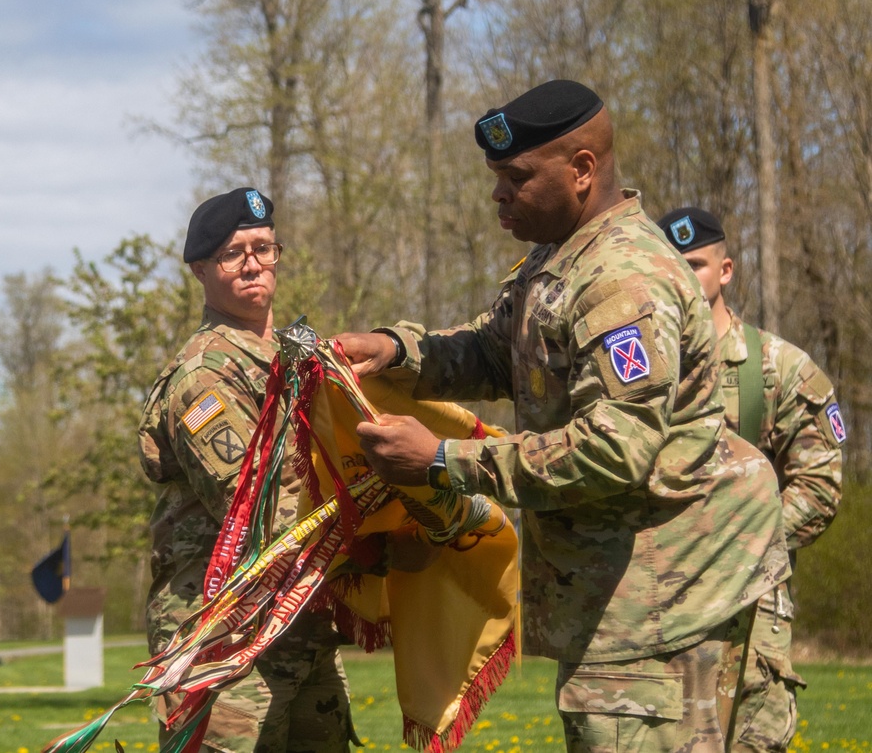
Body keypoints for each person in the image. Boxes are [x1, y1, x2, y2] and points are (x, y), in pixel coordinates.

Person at [335, 80, 791, 751]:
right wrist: (399, 350)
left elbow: (614, 449)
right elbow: (496, 351)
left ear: (582, 170)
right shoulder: (560, 257)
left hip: (666, 605)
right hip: (620, 598)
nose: (497, 194)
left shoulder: (623, 281)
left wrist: (443, 460)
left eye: (516, 178)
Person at [138, 187, 355, 752]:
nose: (254, 263)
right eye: (234, 253)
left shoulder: (297, 358)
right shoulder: (204, 376)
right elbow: (254, 506)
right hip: (224, 640)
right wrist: (370, 534)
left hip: (300, 624)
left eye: (264, 247)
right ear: (200, 269)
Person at [658, 207, 846, 753]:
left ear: (726, 271)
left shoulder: (779, 368)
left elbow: (817, 488)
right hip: (653, 613)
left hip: (749, 615)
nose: (682, 276)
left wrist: (733, 548)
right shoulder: (636, 371)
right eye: (671, 264)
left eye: (694, 263)